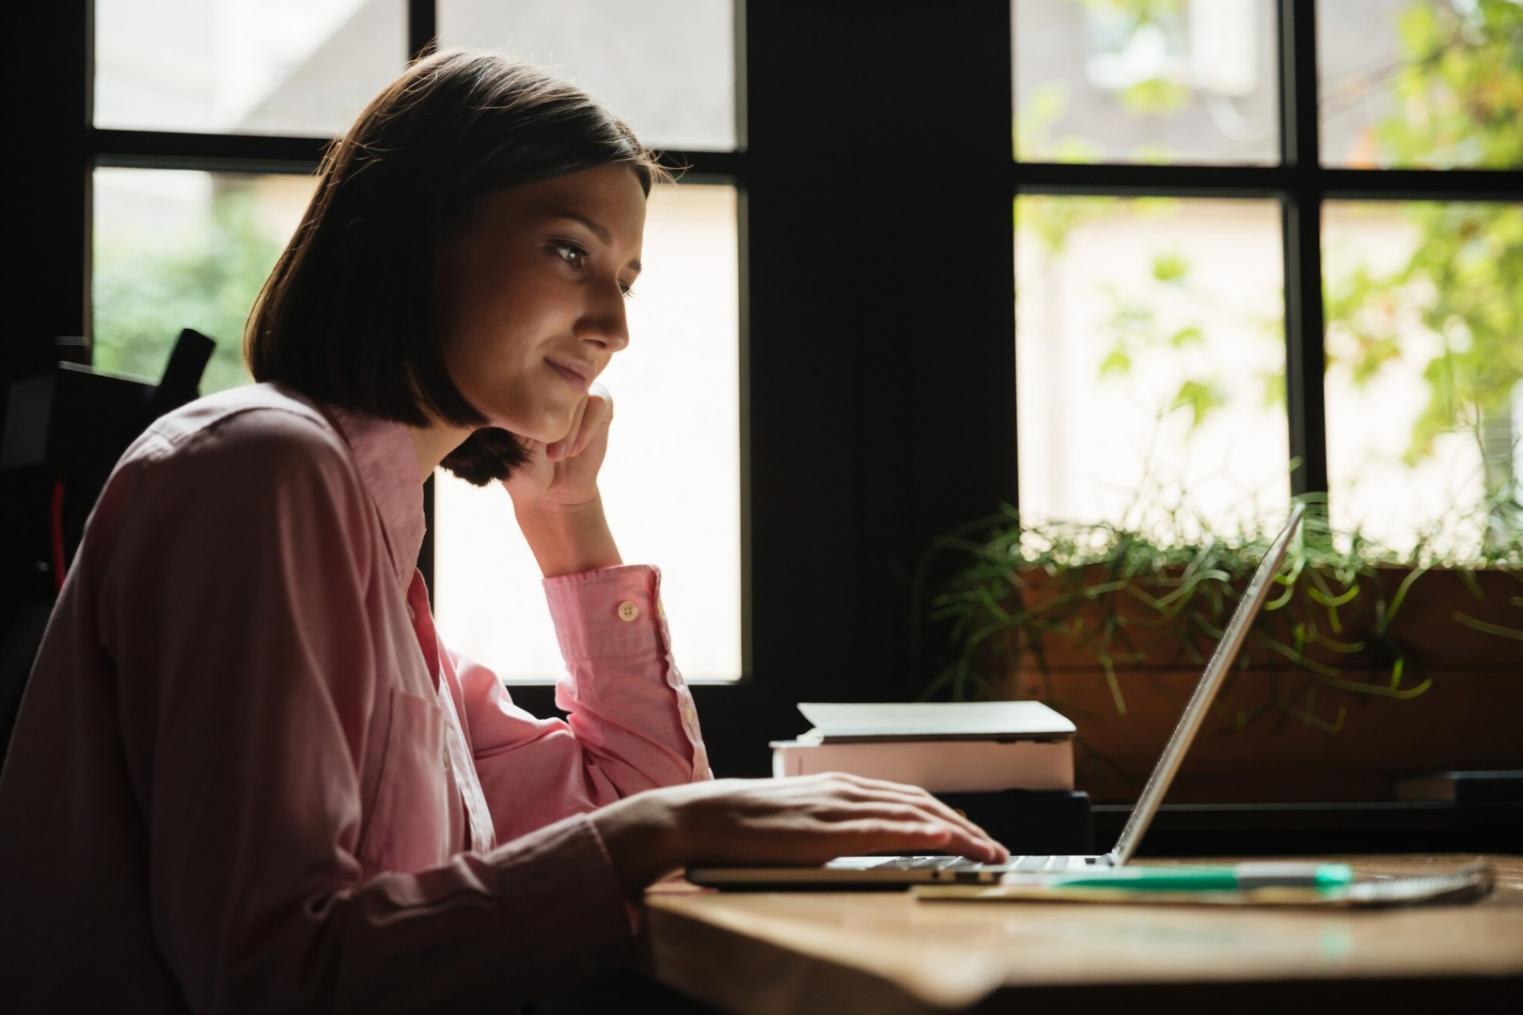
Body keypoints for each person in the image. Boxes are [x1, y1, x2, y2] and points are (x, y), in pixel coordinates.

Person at [0, 50, 1007, 1013]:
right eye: (571, 250)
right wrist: (661, 829)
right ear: (414, 236)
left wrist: (570, 523)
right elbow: (277, 976)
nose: (614, 324)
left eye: (626, 276)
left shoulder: (378, 564)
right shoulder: (263, 469)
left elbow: (635, 798)